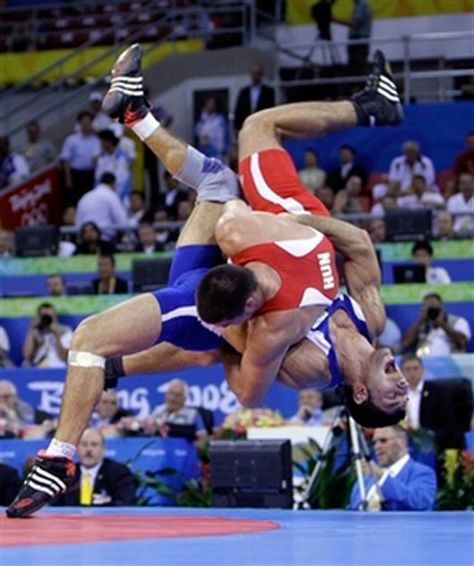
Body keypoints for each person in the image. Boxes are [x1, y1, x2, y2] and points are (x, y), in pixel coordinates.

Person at [7, 46, 406, 518]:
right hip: (291, 230)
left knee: (189, 303)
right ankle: (370, 106)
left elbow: (228, 364)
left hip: (232, 276)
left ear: (360, 393)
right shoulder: (371, 316)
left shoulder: (308, 363)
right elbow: (359, 244)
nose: (401, 379)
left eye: (391, 391)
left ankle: (59, 457)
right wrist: (301, 223)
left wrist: (269, 240)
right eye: (402, 384)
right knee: (245, 143)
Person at [348, 425, 437, 511]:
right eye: (374, 442)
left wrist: (382, 477)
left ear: (402, 442)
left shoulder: (422, 473)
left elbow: (420, 501)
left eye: (383, 441)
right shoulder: (366, 478)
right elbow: (352, 509)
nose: (377, 446)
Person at [401, 354, 473, 450]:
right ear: (402, 372)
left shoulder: (437, 391)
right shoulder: (399, 394)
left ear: (422, 370)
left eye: (415, 369)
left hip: (432, 444)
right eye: (408, 369)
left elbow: (448, 422)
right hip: (404, 442)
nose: (412, 373)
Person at [52, 428, 136, 506]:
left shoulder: (119, 473)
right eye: (84, 444)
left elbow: (124, 503)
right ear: (77, 449)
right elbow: (55, 505)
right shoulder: (67, 474)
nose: (89, 449)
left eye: (94, 445)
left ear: (103, 449)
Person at [401, 292, 471, 356]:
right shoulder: (421, 324)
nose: (432, 311)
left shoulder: (458, 321)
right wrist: (420, 321)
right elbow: (406, 342)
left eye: (434, 307)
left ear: (442, 306)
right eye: (429, 308)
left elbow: (462, 341)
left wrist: (442, 324)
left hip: (452, 364)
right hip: (425, 364)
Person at [59, 110, 101, 206]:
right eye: (84, 122)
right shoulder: (71, 140)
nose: (86, 125)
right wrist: (68, 179)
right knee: (76, 201)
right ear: (79, 123)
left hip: (91, 174)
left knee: (91, 202)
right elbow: (66, 161)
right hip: (76, 175)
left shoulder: (97, 140)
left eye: (88, 122)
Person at [151, 378, 207, 447]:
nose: (172, 398)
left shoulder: (193, 415)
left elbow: (203, 441)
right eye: (170, 393)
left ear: (184, 399)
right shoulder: (157, 412)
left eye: (177, 395)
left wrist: (189, 449)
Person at [22, 302, 73, 368]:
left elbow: (64, 357)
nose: (46, 320)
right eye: (43, 316)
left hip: (59, 367)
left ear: (55, 316)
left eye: (49, 317)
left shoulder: (65, 331)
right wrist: (32, 329)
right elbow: (27, 356)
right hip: (38, 367)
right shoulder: (35, 331)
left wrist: (56, 334)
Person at [233, 63, 275, 135]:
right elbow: (238, 110)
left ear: (261, 74)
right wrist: (236, 128)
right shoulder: (244, 92)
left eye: (257, 73)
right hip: (246, 124)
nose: (255, 75)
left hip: (262, 125)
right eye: (253, 73)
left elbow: (271, 109)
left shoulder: (268, 92)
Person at [334, 0, 372, 76]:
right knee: (357, 67)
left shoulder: (361, 5)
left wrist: (335, 20)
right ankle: (358, 85)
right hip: (359, 41)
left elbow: (355, 24)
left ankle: (359, 85)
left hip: (358, 42)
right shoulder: (361, 5)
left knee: (358, 68)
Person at [194, 96, 229, 161]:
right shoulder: (202, 119)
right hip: (204, 153)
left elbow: (224, 137)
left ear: (215, 106)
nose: (209, 106)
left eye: (212, 104)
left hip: (218, 153)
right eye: (208, 104)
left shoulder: (220, 119)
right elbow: (197, 132)